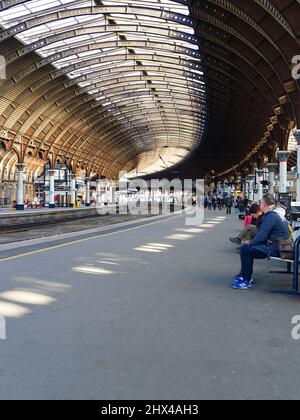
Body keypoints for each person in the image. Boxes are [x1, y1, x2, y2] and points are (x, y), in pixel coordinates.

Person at [232, 194, 290, 290]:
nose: (259, 204)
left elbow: (262, 236)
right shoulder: (273, 213)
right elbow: (262, 234)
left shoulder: (272, 216)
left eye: (261, 202)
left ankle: (246, 281)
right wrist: (251, 241)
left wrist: (250, 242)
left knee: (246, 249)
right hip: (278, 245)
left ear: (265, 205)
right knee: (245, 248)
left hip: (276, 248)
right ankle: (245, 276)